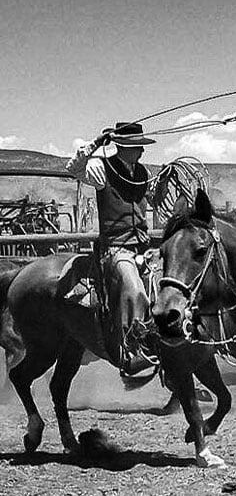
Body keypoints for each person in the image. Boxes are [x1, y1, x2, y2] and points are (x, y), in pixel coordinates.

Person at [66, 122, 158, 377]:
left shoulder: (143, 172)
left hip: (142, 246)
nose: (141, 151)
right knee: (134, 287)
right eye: (136, 146)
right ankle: (133, 349)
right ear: (122, 146)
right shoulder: (100, 168)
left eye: (140, 146)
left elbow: (150, 199)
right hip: (115, 248)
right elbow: (74, 168)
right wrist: (95, 144)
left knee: (172, 284)